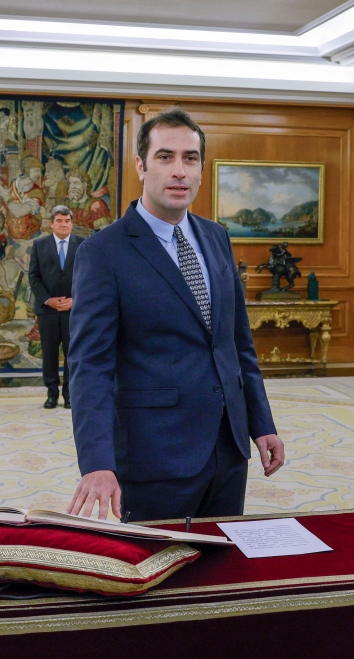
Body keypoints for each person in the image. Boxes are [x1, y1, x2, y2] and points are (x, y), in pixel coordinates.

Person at [67, 108, 284, 522]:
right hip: (154, 455)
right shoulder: (103, 252)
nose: (179, 170)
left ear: (201, 168)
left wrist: (261, 423)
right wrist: (97, 463)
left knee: (221, 558)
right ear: (141, 166)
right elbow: (90, 366)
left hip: (228, 450)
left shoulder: (217, 237)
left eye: (191, 158)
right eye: (165, 157)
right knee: (158, 562)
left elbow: (237, 343)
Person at [28, 205, 81, 410]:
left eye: (67, 221)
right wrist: (48, 300)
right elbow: (34, 277)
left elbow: (89, 277)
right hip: (48, 310)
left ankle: (69, 395)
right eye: (59, 221)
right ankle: (52, 394)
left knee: (72, 354)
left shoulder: (83, 245)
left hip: (73, 310)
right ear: (51, 224)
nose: (63, 224)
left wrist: (75, 300)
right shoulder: (39, 245)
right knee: (49, 354)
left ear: (72, 224)